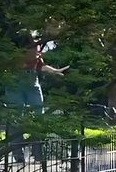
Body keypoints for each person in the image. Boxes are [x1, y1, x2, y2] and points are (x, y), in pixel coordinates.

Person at [4, 30, 69, 163]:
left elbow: (40, 65)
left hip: (32, 81)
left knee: (39, 116)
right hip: (15, 82)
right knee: (16, 116)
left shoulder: (36, 45)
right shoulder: (15, 44)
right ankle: (18, 154)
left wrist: (55, 71)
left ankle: (38, 152)